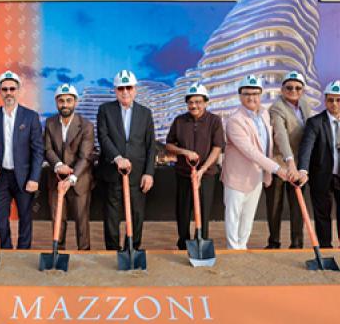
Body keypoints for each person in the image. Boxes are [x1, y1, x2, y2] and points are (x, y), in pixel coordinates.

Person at [221, 75, 288, 249]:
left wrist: (271, 169)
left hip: (257, 176)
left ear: (260, 95)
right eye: (247, 94)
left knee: (248, 217)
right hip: (237, 176)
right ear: (240, 96)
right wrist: (276, 169)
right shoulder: (235, 120)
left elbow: (268, 145)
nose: (251, 97)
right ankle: (233, 249)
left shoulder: (264, 114)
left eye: (255, 93)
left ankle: (242, 247)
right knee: (234, 216)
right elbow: (250, 151)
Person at [0, 70, 44, 249]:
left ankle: (23, 252)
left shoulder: (30, 116)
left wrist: (34, 178)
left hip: (24, 176)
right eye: (5, 89)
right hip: (0, 176)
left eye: (12, 89)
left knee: (25, 217)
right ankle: (6, 249)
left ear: (18, 90)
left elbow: (38, 150)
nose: (9, 92)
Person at [97, 69, 155, 250]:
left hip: (137, 175)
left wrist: (149, 173)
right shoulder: (105, 110)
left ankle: (133, 249)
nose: (125, 92)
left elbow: (151, 145)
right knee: (112, 217)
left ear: (135, 89)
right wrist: (117, 158)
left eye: (128, 87)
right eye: (120, 88)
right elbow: (103, 137)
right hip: (112, 172)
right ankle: (113, 251)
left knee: (137, 215)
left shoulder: (145, 113)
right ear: (115, 90)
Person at [165, 83, 224, 250]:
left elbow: (217, 147)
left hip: (206, 175)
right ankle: (183, 243)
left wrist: (202, 169)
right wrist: (184, 152)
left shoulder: (214, 121)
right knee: (183, 211)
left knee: (204, 211)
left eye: (198, 102)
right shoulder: (179, 121)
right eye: (190, 102)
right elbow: (169, 145)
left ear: (205, 102)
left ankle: (201, 241)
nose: (194, 106)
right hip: (184, 174)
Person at [265, 71, 313, 249]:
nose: (293, 91)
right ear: (282, 89)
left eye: (298, 88)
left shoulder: (305, 104)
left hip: (299, 165)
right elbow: (281, 136)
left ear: (303, 90)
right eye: (289, 87)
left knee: (297, 206)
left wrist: (302, 166)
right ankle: (274, 242)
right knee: (275, 205)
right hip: (280, 163)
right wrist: (290, 163)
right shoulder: (277, 108)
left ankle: (297, 243)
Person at [44, 83, 94, 250]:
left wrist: (71, 178)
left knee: (82, 222)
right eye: (61, 101)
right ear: (56, 102)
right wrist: (58, 165)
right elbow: (47, 149)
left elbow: (85, 156)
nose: (65, 104)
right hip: (56, 180)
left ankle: (85, 255)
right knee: (58, 220)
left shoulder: (86, 125)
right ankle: (58, 254)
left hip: (79, 180)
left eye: (68, 100)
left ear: (75, 102)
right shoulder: (50, 123)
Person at [297, 80, 340, 248]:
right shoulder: (315, 122)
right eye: (331, 100)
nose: (334, 104)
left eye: (338, 100)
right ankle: (325, 247)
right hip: (321, 176)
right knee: (322, 214)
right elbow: (306, 147)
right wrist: (303, 170)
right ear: (325, 101)